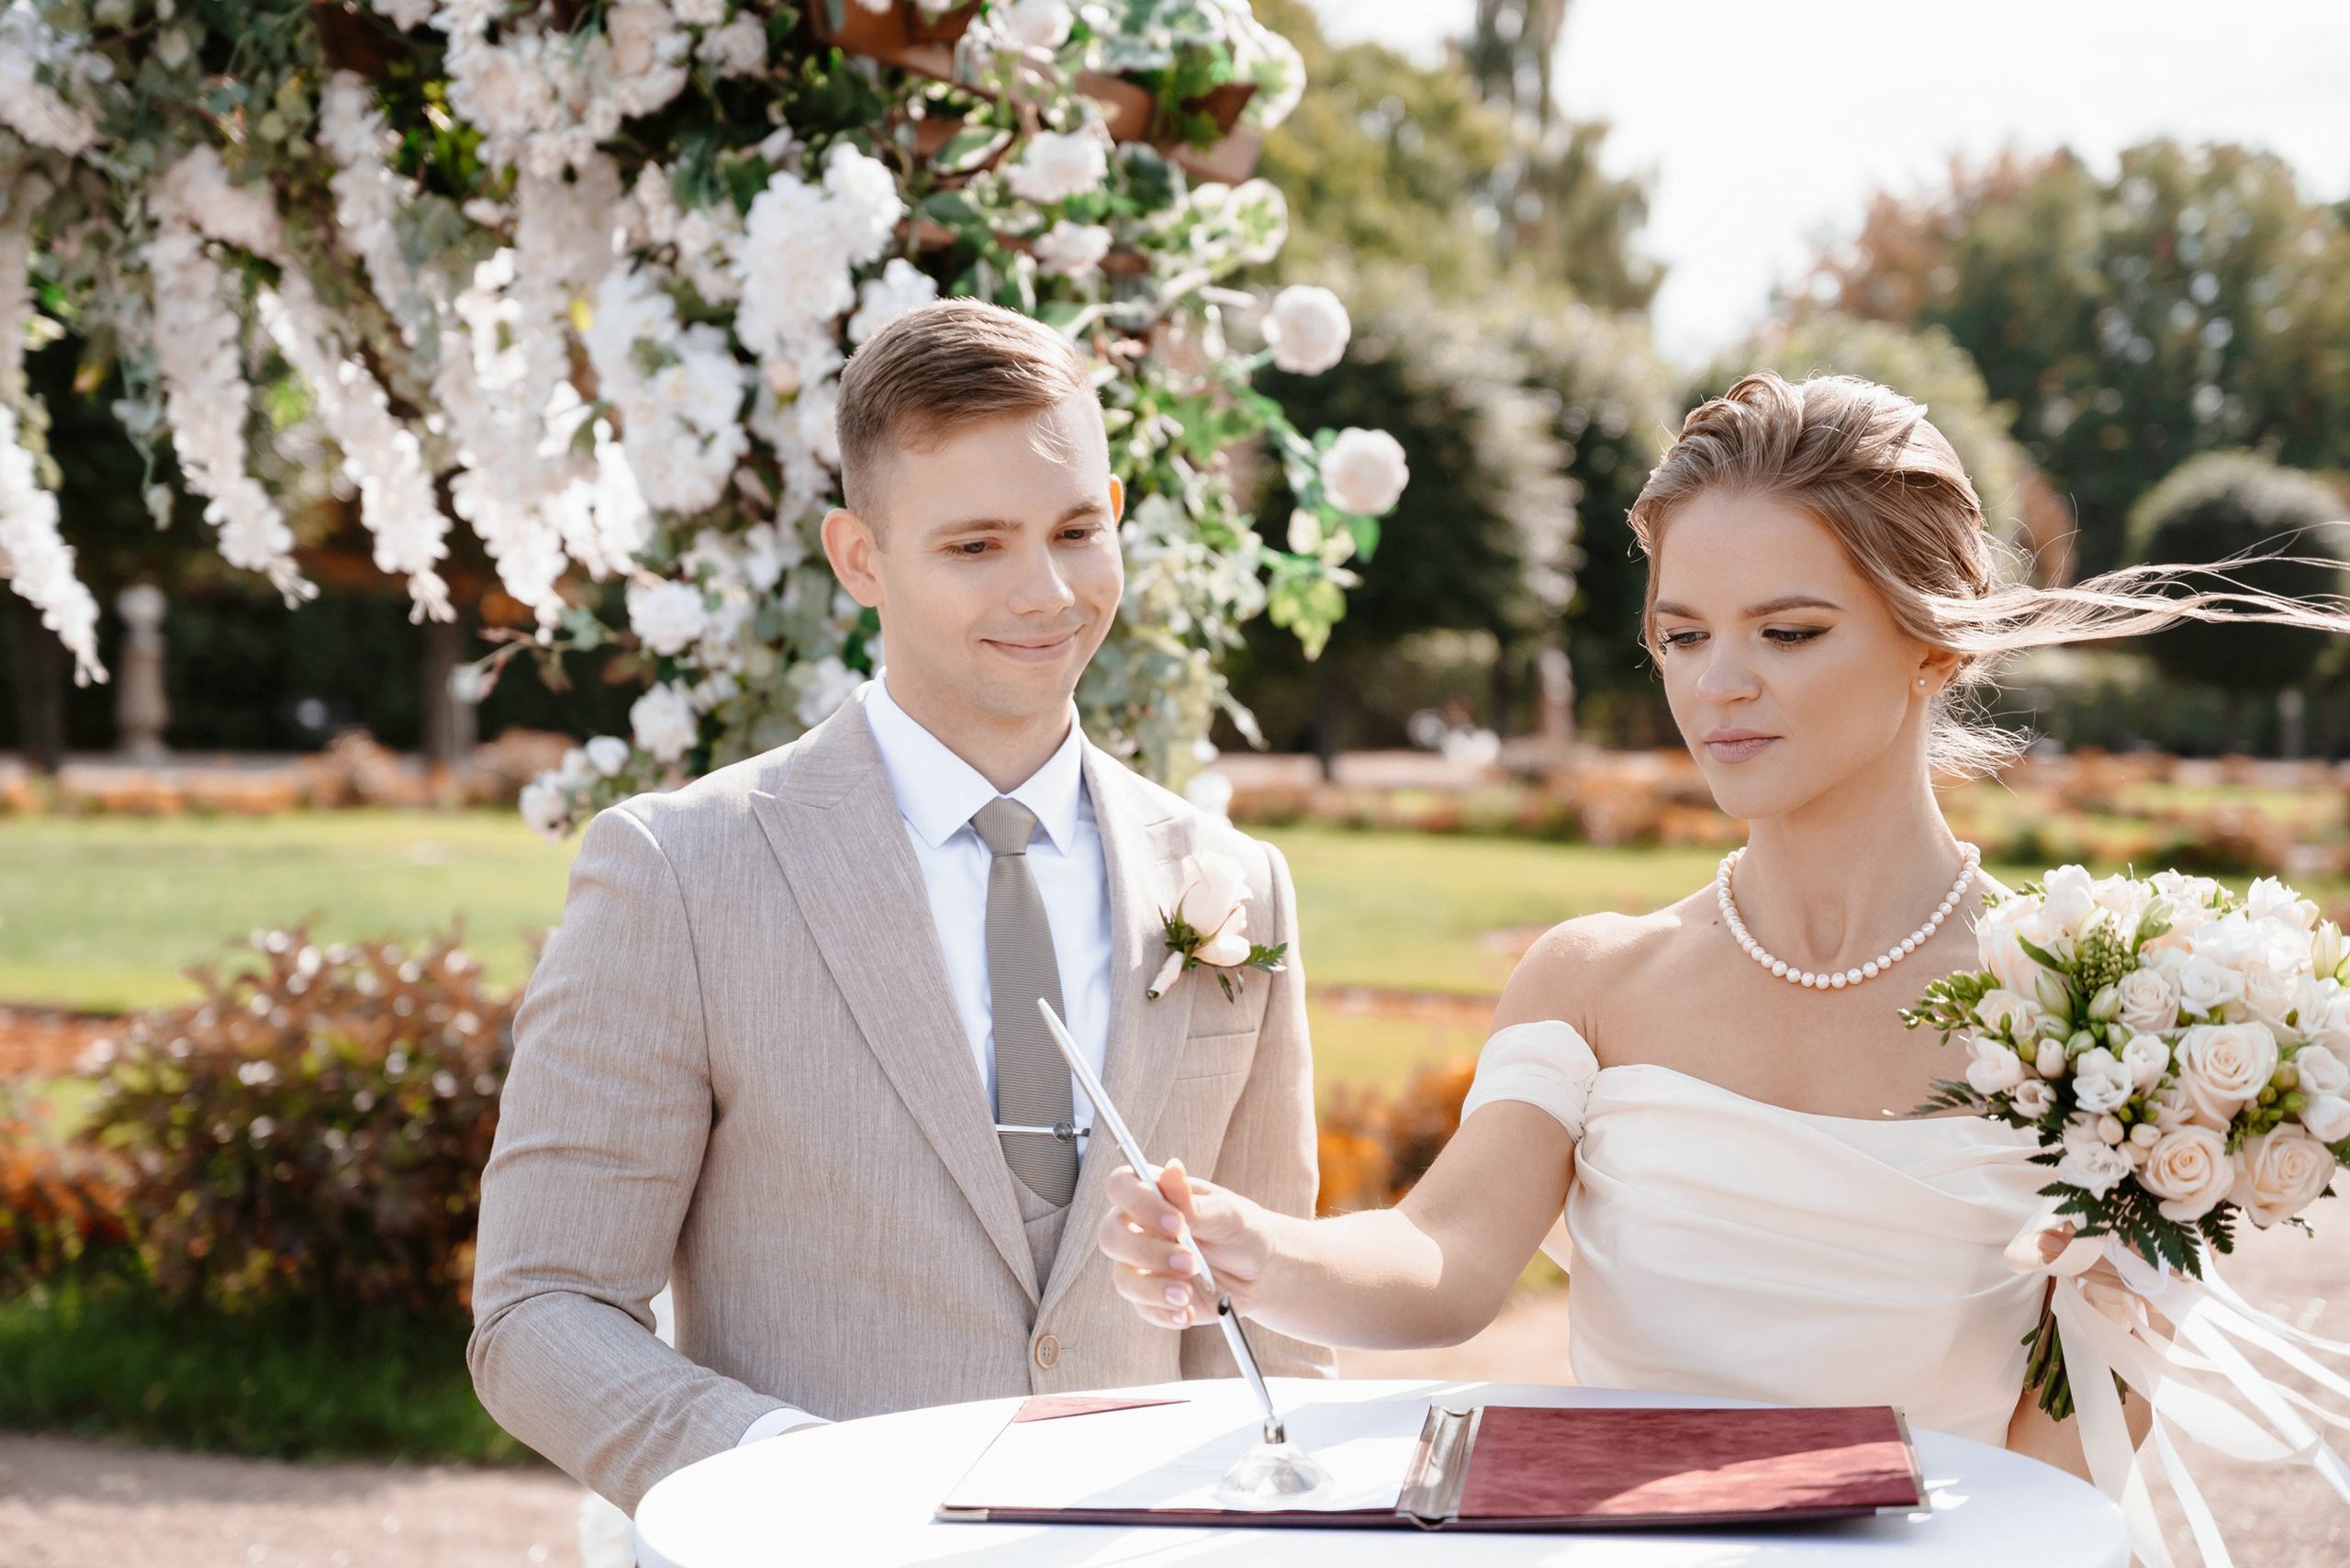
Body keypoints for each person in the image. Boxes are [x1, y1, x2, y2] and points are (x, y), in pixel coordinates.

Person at [1096, 371, 2350, 1485]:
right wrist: (1257, 1250)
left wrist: (2136, 1287)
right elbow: (1443, 1257)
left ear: (1930, 645)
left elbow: (2066, 1474)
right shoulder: (1590, 981)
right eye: (1683, 635)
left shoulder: (2100, 1015)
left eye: (1787, 633)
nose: (1717, 684)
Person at [470, 297, 1331, 1515]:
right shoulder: (679, 872)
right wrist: (804, 1486)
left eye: (1077, 530)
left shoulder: (1240, 884)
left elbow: (1274, 1324)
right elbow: (539, 1312)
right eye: (976, 546)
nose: (1045, 591)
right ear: (859, 558)